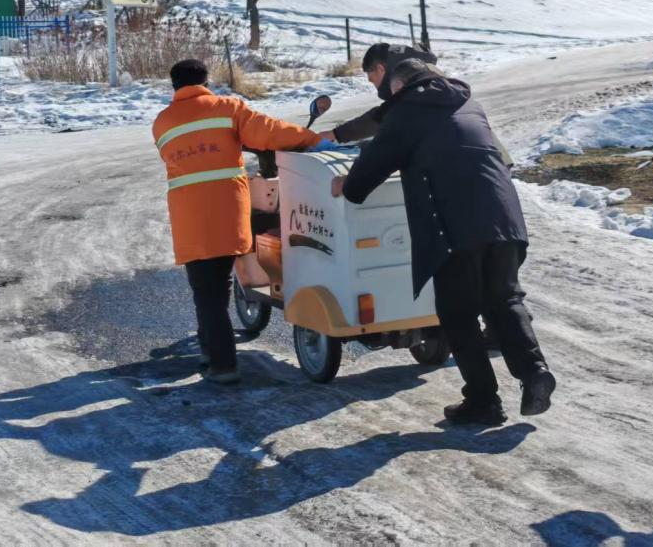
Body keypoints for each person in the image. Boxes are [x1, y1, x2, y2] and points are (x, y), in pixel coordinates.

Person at [331, 58, 555, 426]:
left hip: (454, 226)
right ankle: (535, 373)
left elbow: (371, 166)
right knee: (504, 300)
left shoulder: (407, 110)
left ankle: (483, 401)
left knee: (457, 313)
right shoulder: (469, 103)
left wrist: (348, 184)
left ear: (399, 85)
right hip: (504, 217)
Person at [153, 59, 325, 384]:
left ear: (174, 86)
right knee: (219, 285)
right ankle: (216, 357)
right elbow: (270, 132)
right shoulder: (228, 108)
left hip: (191, 219)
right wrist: (312, 139)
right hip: (229, 212)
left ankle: (219, 362)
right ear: (206, 81)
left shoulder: (162, 123)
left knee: (207, 293)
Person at [318, 42, 513, 167]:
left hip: (476, 166)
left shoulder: (413, 79)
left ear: (380, 69)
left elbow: (386, 118)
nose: (375, 86)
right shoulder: (421, 71)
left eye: (372, 79)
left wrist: (337, 135)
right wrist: (338, 134)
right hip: (488, 160)